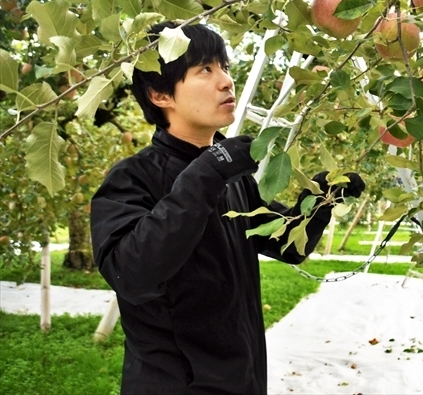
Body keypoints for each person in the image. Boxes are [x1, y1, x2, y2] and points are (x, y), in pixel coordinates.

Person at [91, 22, 365, 394]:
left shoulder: (233, 179)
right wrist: (208, 171)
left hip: (242, 378)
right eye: (205, 69)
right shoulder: (133, 178)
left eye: (225, 67)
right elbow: (131, 273)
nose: (225, 81)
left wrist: (319, 201)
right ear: (159, 94)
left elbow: (288, 245)